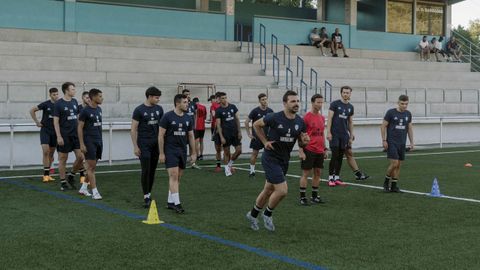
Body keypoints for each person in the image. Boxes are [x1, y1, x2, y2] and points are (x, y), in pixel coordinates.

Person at [245, 90, 309, 231]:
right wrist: (264, 141)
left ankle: (253, 215)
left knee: (268, 190)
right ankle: (267, 214)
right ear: (285, 103)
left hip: (284, 160)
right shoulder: (274, 117)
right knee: (282, 190)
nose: (296, 104)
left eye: (298, 101)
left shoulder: (300, 121)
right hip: (270, 158)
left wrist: (304, 143)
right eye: (293, 101)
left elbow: (301, 142)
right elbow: (256, 124)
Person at [159, 94, 197, 214]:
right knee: (173, 176)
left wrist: (194, 152)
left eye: (188, 102)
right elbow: (160, 135)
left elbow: (191, 136)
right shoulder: (167, 117)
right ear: (177, 103)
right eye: (185, 102)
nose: (188, 104)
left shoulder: (188, 118)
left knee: (178, 177)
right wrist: (161, 153)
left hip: (182, 150)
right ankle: (177, 204)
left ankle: (170, 201)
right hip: (170, 150)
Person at [130, 87, 164, 208]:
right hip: (144, 144)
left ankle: (149, 193)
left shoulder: (159, 109)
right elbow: (133, 129)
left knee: (152, 170)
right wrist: (135, 146)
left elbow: (162, 128)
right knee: (146, 169)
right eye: (156, 97)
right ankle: (146, 196)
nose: (158, 99)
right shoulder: (139, 110)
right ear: (149, 96)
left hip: (156, 145)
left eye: (159, 97)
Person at [53, 82, 85, 191]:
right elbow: (56, 122)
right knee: (63, 159)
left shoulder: (75, 101)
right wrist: (59, 136)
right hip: (64, 135)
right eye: (72, 89)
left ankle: (71, 176)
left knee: (81, 157)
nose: (74, 91)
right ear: (66, 90)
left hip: (75, 135)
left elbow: (77, 118)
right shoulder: (58, 104)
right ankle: (63, 182)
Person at [381, 95, 414, 193]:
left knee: (399, 165)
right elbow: (383, 126)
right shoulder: (391, 112)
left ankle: (394, 186)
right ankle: (386, 182)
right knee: (394, 163)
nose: (404, 106)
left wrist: (412, 142)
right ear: (398, 103)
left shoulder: (408, 114)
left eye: (406, 104)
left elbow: (410, 128)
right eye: (402, 104)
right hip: (392, 142)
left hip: (402, 143)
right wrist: (384, 140)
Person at [298, 94, 327, 205]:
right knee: (306, 173)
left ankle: (314, 196)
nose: (320, 104)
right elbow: (300, 135)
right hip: (309, 149)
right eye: (318, 102)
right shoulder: (306, 117)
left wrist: (325, 148)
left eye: (321, 102)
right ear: (312, 102)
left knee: (318, 173)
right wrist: (301, 151)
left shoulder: (322, 117)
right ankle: (303, 197)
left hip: (320, 150)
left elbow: (322, 134)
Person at [78, 88, 104, 200]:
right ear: (93, 97)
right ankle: (95, 192)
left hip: (98, 141)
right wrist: (82, 144)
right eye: (100, 96)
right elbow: (79, 128)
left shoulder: (99, 109)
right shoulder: (85, 111)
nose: (102, 98)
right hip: (89, 142)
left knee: (92, 167)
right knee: (90, 168)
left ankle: (83, 188)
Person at [29, 87, 59, 183]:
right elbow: (32, 110)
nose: (56, 96)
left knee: (51, 153)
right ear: (50, 95)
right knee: (46, 151)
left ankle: (48, 174)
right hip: (45, 130)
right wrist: (37, 122)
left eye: (57, 94)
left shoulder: (60, 105)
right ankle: (45, 175)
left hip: (55, 132)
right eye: (54, 94)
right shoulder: (46, 104)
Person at [326, 86, 354, 187]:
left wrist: (351, 135)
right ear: (341, 93)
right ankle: (330, 178)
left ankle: (337, 177)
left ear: (350, 94)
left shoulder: (351, 107)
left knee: (341, 156)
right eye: (344, 92)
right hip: (334, 134)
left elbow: (350, 122)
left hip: (344, 135)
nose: (346, 94)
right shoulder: (334, 104)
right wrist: (328, 132)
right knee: (334, 155)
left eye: (347, 92)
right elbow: (329, 118)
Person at [245, 93, 273, 177]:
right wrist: (249, 134)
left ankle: (269, 171)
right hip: (257, 137)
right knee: (255, 154)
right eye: (262, 99)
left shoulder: (270, 111)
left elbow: (273, 123)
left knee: (269, 155)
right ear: (259, 101)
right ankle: (252, 171)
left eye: (265, 99)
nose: (264, 101)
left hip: (267, 137)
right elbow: (247, 122)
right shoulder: (255, 111)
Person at [215, 92, 242, 177]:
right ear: (219, 99)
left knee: (239, 150)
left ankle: (230, 164)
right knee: (227, 152)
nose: (225, 99)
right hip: (225, 134)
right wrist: (221, 137)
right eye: (223, 98)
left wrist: (239, 131)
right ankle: (227, 170)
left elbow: (237, 120)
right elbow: (218, 125)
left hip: (235, 133)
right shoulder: (218, 110)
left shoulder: (233, 107)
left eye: (225, 97)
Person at [209, 93, 223, 172]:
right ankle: (218, 165)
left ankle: (229, 165)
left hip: (224, 128)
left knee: (226, 147)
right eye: (219, 98)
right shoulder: (213, 105)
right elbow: (214, 115)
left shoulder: (226, 105)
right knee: (217, 147)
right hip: (215, 128)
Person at [193, 97, 207, 162]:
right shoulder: (204, 107)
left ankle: (197, 155)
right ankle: (201, 155)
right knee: (201, 141)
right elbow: (205, 117)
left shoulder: (193, 107)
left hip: (196, 126)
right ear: (198, 101)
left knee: (196, 141)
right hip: (202, 126)